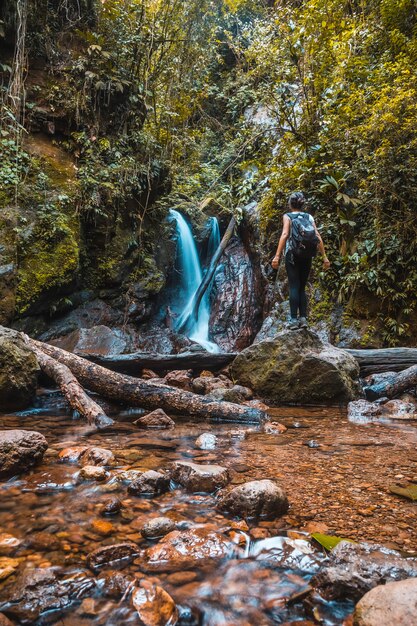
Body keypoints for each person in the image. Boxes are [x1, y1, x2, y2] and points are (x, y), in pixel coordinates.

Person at [271, 192, 330, 330]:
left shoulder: (288, 216)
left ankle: (293, 320)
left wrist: (277, 256)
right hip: (307, 255)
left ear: (290, 204)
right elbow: (317, 235)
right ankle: (303, 319)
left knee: (293, 286)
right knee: (302, 287)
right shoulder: (308, 217)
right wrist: (324, 257)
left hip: (292, 255)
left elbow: (285, 234)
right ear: (303, 204)